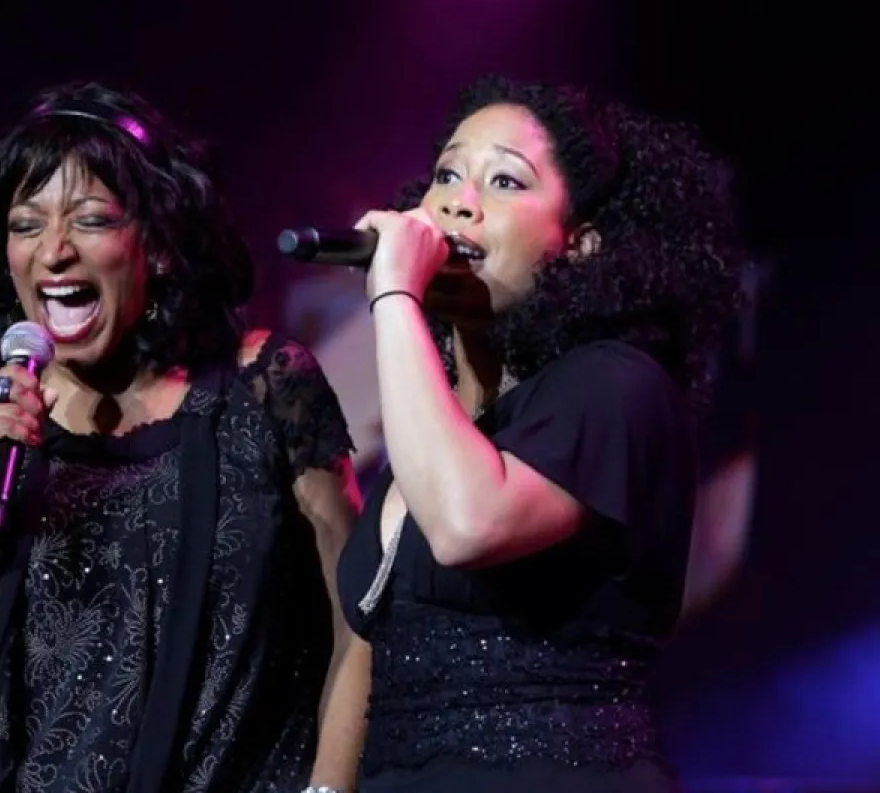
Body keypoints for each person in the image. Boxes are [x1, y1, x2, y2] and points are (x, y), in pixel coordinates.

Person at [0, 81, 362, 793]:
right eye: (26, 223)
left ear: (156, 244)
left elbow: (360, 618)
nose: (55, 251)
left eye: (91, 219)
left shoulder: (263, 388)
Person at [316, 76, 746, 792]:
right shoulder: (446, 426)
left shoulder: (617, 386)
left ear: (578, 244)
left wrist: (392, 294)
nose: (458, 200)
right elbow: (369, 646)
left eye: (505, 180)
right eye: (446, 174)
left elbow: (466, 524)